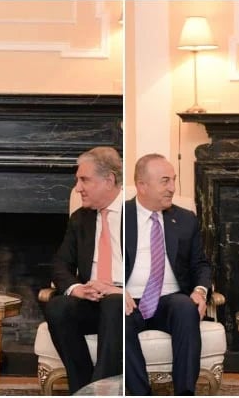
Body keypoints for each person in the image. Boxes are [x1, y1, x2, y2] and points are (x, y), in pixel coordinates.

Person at [125, 153, 212, 395]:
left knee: (186, 307)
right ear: (142, 185)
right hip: (129, 301)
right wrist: (116, 290)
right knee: (116, 317)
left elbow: (201, 264)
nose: (172, 188)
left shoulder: (185, 219)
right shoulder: (119, 217)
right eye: (165, 181)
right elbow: (102, 265)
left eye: (173, 180)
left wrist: (200, 291)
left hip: (170, 300)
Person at [44, 146, 123, 394]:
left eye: (84, 179)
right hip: (92, 299)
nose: (78, 188)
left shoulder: (137, 213)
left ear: (109, 180)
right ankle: (84, 389)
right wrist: (77, 288)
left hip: (130, 301)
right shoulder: (80, 218)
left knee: (114, 303)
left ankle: (101, 392)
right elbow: (59, 264)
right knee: (57, 306)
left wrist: (116, 290)